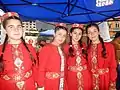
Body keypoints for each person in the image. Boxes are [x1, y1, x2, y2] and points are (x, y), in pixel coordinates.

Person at [0, 12, 38, 90]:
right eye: (11, 27)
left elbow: (36, 68)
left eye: (19, 26)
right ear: (5, 30)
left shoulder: (30, 48)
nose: (16, 30)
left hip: (29, 86)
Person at [86, 23, 117, 90]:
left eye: (94, 31)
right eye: (89, 32)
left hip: (105, 79)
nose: (92, 34)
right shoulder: (87, 49)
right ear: (87, 35)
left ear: (99, 32)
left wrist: (112, 82)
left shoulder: (109, 46)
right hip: (90, 80)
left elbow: (113, 66)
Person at [37, 23, 68, 90]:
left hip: (62, 83)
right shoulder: (46, 48)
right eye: (59, 34)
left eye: (64, 35)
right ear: (54, 34)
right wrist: (41, 85)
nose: (61, 37)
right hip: (50, 83)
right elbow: (41, 68)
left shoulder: (62, 49)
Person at [64, 24, 92, 90]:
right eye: (75, 33)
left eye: (79, 34)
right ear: (70, 34)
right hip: (71, 76)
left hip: (85, 75)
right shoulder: (66, 47)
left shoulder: (84, 46)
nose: (77, 36)